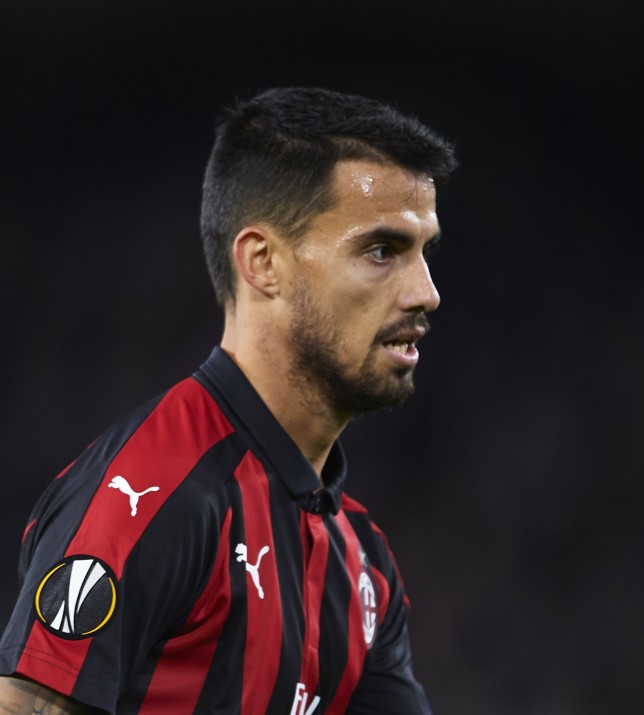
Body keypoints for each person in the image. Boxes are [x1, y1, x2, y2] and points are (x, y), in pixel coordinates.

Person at [0, 87, 457, 713]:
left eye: (424, 252)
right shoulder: (156, 493)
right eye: (382, 251)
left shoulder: (362, 566)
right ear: (262, 262)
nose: (426, 293)